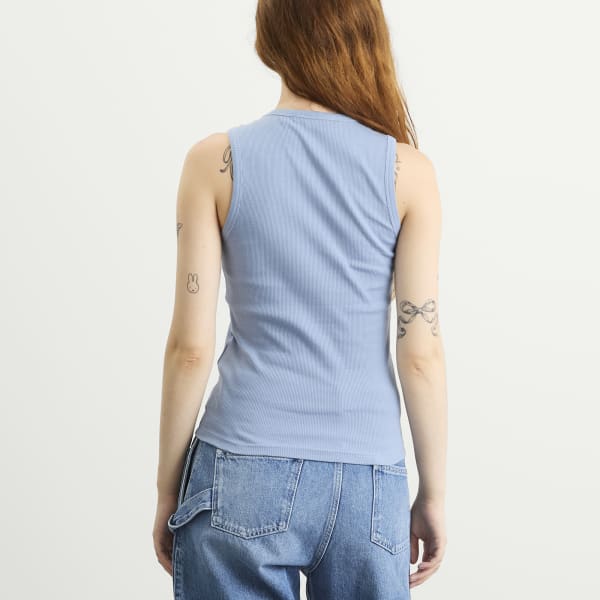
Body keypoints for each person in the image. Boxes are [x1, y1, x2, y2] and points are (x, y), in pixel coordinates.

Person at [153, 1, 447, 598]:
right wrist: (434, 493)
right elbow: (420, 354)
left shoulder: (214, 162)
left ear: (270, 38)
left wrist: (167, 491)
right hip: (369, 481)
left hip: (238, 468)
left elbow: (190, 349)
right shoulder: (408, 171)